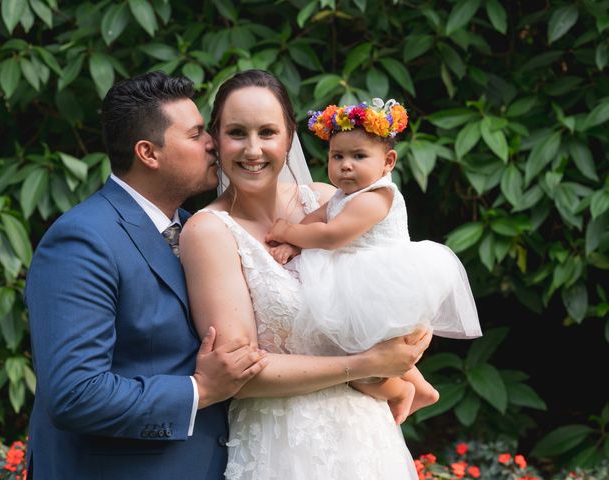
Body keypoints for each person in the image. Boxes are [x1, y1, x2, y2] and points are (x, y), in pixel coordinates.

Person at [179, 69, 433, 479]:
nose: (253, 149)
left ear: (289, 137)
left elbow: (389, 280)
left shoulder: (331, 199)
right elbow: (237, 374)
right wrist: (366, 364)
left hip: (367, 435)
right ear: (216, 138)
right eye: (237, 133)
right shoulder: (209, 231)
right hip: (285, 439)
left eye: (267, 132)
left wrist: (413, 337)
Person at [24, 71, 270, 479]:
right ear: (148, 153)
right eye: (195, 135)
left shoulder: (205, 230)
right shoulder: (82, 240)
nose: (214, 142)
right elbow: (74, 394)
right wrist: (200, 390)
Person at [265, 99, 483, 424]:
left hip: (381, 282)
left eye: (358, 156)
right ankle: (420, 386)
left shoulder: (376, 197)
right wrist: (293, 244)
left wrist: (288, 231)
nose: (346, 165)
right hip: (355, 279)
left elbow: (332, 235)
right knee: (371, 346)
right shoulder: (342, 195)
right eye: (337, 156)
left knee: (364, 366)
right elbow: (317, 217)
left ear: (388, 162)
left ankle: (401, 392)